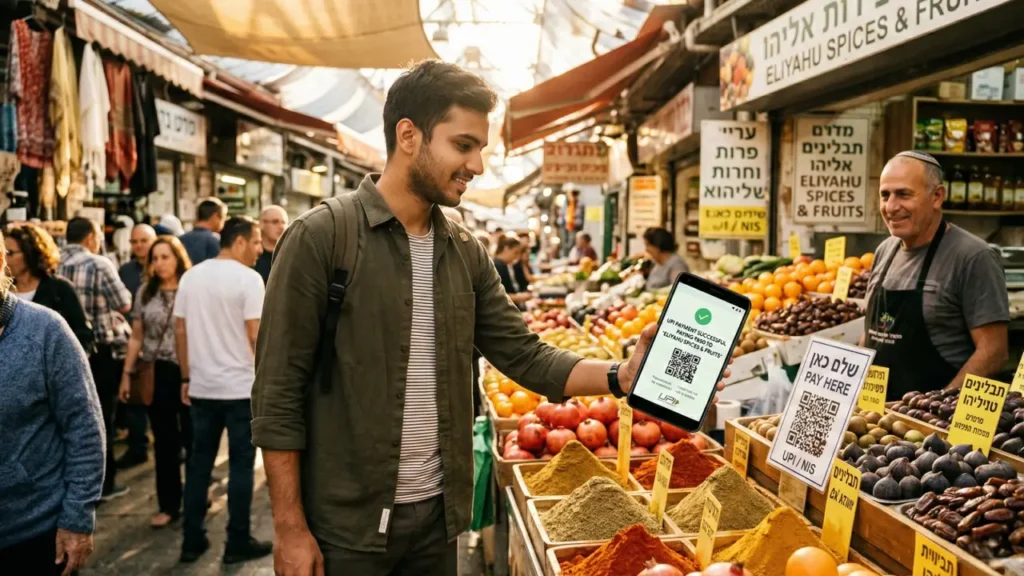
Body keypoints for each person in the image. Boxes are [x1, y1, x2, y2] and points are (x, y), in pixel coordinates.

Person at [251, 60, 726, 576]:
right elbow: (277, 393)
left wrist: (620, 375)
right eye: (463, 145)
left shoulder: (463, 251)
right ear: (408, 135)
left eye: (479, 148)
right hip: (346, 530)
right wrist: (290, 527)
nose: (476, 165)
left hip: (437, 523)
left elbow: (524, 354)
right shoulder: (322, 238)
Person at [0, 228, 105, 576]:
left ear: (3, 263)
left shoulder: (45, 330)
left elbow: (85, 427)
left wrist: (77, 517)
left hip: (34, 532)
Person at [865, 151, 1009, 400]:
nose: (891, 207)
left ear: (937, 196)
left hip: (936, 422)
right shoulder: (884, 251)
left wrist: (936, 406)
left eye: (904, 194)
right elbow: (870, 336)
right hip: (879, 420)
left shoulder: (973, 256)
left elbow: (994, 352)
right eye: (885, 195)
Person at [175, 216, 271, 564]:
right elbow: (255, 335)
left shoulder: (191, 276)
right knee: (243, 466)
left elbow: (181, 332)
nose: (260, 250)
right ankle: (237, 541)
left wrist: (186, 378)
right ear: (240, 241)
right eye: (257, 241)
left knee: (199, 464)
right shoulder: (249, 279)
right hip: (241, 387)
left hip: (202, 387)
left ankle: (191, 540)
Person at [119, 236, 193, 529]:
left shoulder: (191, 289)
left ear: (178, 258)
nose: (160, 263)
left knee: (193, 436)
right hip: (155, 371)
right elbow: (136, 335)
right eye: (155, 258)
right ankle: (169, 503)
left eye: (165, 256)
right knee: (164, 442)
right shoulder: (145, 292)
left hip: (190, 370)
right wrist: (127, 372)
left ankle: (196, 493)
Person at [59, 217, 133, 501]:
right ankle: (104, 483)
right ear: (91, 236)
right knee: (102, 416)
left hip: (63, 348)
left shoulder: (53, 262)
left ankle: (74, 483)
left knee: (71, 417)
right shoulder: (99, 263)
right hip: (99, 349)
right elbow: (124, 302)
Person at [4, 223, 92, 350]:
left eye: (10, 253)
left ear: (31, 253)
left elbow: (83, 334)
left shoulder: (59, 289)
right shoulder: (4, 292)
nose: (5, 260)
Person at [116, 223, 158, 469]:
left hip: (161, 346)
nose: (139, 246)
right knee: (133, 399)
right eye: (134, 242)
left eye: (143, 240)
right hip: (133, 340)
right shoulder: (125, 271)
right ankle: (137, 446)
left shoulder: (165, 267)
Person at [179, 198, 227, 266]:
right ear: (215, 216)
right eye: (223, 217)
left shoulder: (179, 239)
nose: (224, 222)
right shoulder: (215, 240)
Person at [255, 205, 288, 284]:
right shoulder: (253, 255)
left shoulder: (291, 254)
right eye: (275, 222)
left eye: (284, 222)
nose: (281, 227)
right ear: (262, 223)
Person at [493, 235, 531, 305]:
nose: (516, 257)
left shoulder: (503, 265)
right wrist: (519, 297)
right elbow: (498, 296)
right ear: (506, 249)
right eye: (515, 253)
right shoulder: (498, 266)